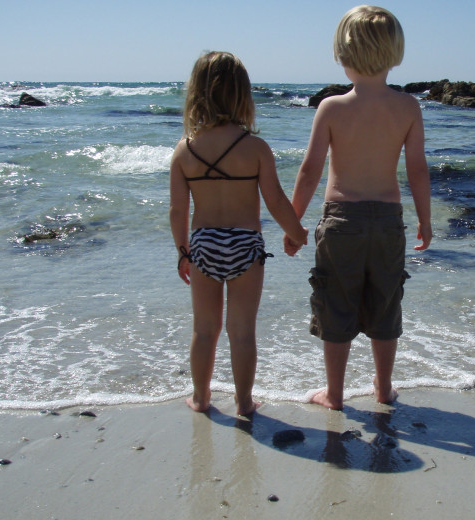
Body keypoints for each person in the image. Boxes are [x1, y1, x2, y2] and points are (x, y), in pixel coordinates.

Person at [284, 5, 432, 410]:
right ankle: (383, 390)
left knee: (337, 304)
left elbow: (310, 170)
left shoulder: (332, 107)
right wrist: (426, 220)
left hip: (342, 220)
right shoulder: (408, 107)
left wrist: (292, 223)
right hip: (387, 221)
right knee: (385, 302)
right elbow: (417, 170)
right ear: (394, 53)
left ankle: (335, 394)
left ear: (344, 56)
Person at [170, 51, 308, 415]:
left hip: (203, 244)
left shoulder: (185, 150)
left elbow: (177, 210)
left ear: (196, 93)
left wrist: (183, 252)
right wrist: (297, 232)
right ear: (242, 96)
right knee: (242, 330)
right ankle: (244, 402)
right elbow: (276, 200)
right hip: (245, 245)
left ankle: (200, 399)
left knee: (204, 330)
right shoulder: (255, 148)